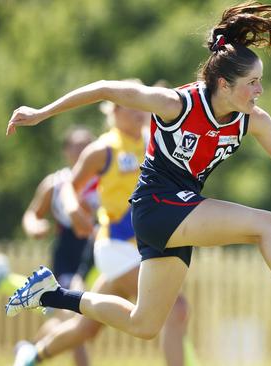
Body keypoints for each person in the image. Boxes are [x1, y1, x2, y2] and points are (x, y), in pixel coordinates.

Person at [5, 1, 271, 344]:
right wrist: (41, 113)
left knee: (144, 324)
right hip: (157, 205)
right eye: (252, 83)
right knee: (266, 224)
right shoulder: (176, 104)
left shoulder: (252, 120)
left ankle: (50, 293)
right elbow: (106, 88)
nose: (260, 90)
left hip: (172, 213)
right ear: (223, 84)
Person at [13, 80, 199, 366]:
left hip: (138, 249)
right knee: (176, 310)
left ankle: (32, 355)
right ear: (114, 109)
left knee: (86, 327)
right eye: (131, 102)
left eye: (141, 102)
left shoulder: (150, 140)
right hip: (114, 247)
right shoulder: (104, 148)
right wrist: (74, 209)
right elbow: (67, 187)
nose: (139, 108)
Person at [0, 126, 97, 366]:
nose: (83, 151)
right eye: (77, 146)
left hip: (97, 257)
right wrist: (35, 226)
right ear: (66, 151)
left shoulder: (104, 179)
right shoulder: (56, 184)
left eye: (88, 145)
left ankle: (28, 350)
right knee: (73, 317)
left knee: (62, 317)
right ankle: (1, 280)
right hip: (69, 257)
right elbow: (32, 214)